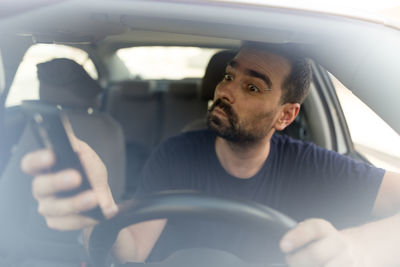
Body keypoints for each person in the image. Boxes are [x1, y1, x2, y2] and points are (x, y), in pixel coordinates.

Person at [21, 42, 400, 267]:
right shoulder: (176, 155)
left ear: (286, 115)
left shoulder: (313, 166)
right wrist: (98, 208)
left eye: (252, 88)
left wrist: (357, 246)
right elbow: (133, 248)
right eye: (230, 76)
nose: (227, 91)